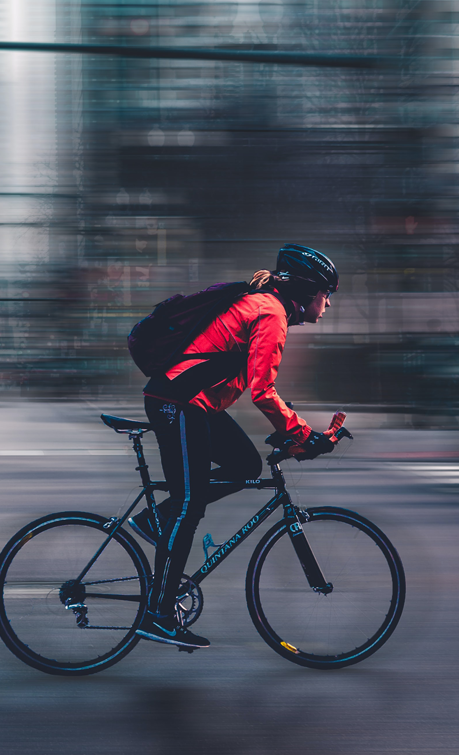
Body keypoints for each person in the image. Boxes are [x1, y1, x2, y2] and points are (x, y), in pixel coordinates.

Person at [131, 244, 340, 649]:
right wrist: (301, 434)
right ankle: (158, 614)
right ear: (308, 290)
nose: (328, 302)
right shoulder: (271, 313)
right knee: (189, 506)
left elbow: (255, 384)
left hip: (193, 402)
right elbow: (263, 391)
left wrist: (293, 429)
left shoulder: (267, 307)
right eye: (327, 293)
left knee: (245, 465)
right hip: (178, 401)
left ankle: (157, 520)